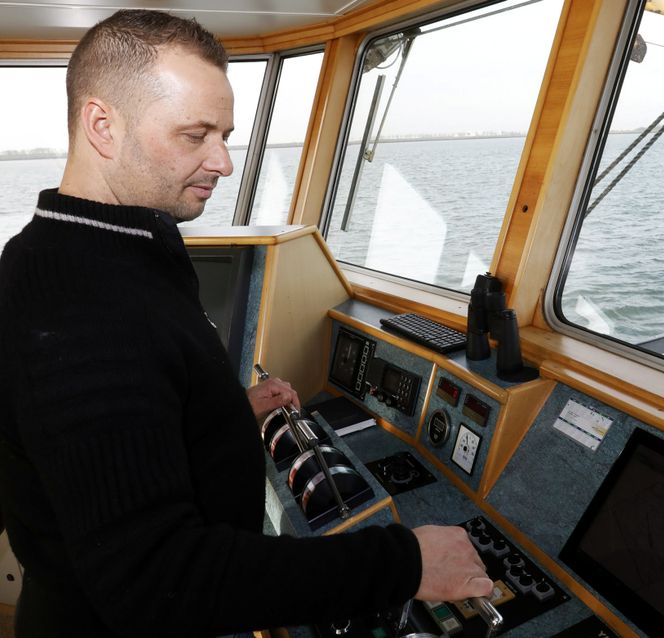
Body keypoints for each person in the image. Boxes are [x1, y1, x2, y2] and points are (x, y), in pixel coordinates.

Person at [0, 10, 491, 637]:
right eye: (194, 134)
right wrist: (405, 561)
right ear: (102, 125)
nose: (223, 163)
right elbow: (159, 582)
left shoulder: (106, 247)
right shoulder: (75, 303)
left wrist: (224, 415)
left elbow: (132, 408)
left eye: (225, 134)